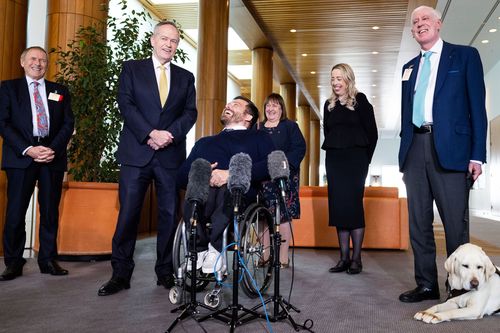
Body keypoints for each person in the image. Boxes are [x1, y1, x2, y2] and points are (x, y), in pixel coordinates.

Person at [98, 21, 197, 296]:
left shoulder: (186, 77)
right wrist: (149, 133)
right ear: (152, 40)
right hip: (136, 152)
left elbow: (190, 113)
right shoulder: (132, 69)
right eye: (164, 38)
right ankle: (120, 274)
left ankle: (165, 271)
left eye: (174, 41)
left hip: (170, 155)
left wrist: (169, 135)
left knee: (168, 215)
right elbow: (125, 103)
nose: (168, 44)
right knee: (129, 214)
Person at [398, 6, 487, 303]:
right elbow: (405, 111)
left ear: (439, 23)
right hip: (415, 148)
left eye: (425, 19)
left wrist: (477, 155)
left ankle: (459, 288)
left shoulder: (464, 56)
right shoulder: (408, 67)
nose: (420, 24)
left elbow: (478, 108)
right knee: (419, 223)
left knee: (454, 223)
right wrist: (404, 150)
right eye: (415, 22)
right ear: (412, 32)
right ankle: (426, 284)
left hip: (452, 149)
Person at [0, 46, 75, 280]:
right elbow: (3, 123)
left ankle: (48, 260)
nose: (38, 63)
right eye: (33, 58)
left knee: (50, 211)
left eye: (43, 59)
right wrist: (29, 149)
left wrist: (51, 148)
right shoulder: (8, 88)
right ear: (23, 62)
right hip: (21, 156)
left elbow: (67, 124)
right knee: (15, 212)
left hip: (52, 156)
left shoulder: (60, 90)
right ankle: (13, 262)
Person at [177, 96, 275, 273]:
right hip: (204, 195)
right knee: (196, 185)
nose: (228, 105)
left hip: (239, 193)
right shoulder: (204, 142)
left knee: (227, 188)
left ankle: (216, 249)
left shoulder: (259, 137)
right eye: (228, 103)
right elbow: (181, 176)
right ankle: (198, 249)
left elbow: (270, 166)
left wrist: (230, 174)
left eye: (235, 104)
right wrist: (203, 174)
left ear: (248, 117)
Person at [322, 63, 378, 275]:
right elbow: (328, 131)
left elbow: (372, 134)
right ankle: (343, 257)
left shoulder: (361, 101)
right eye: (333, 78)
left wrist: (365, 160)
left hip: (356, 161)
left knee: (353, 206)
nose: (336, 82)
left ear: (348, 79)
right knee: (338, 207)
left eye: (339, 78)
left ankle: (356, 259)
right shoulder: (329, 105)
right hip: (335, 159)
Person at [256, 93, 306, 268]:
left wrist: (284, 165)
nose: (270, 108)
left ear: (281, 108)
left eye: (275, 105)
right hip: (263, 178)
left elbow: (299, 148)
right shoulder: (258, 128)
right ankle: (265, 256)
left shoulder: (290, 126)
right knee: (263, 216)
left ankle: (283, 258)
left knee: (283, 217)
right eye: (268, 105)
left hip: (285, 178)